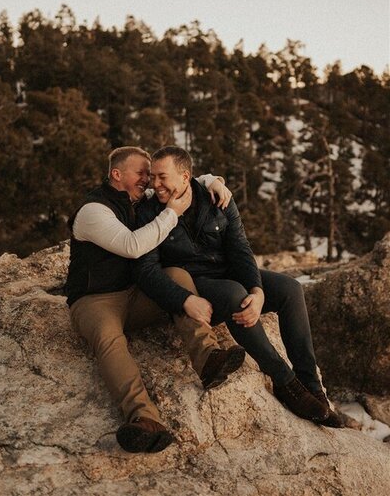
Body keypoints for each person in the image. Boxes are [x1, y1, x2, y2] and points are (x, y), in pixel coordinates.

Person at [135, 146, 344, 429]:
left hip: (228, 271)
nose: (155, 184)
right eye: (152, 177)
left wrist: (257, 291)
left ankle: (312, 384)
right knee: (236, 296)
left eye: (162, 177)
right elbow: (147, 270)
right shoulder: (148, 211)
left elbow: (240, 249)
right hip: (197, 283)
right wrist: (185, 298)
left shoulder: (216, 197)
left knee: (290, 288)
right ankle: (285, 381)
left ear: (185, 177)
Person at [65, 146, 245, 454]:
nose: (148, 181)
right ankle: (144, 419)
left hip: (134, 296)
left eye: (150, 174)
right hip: (95, 300)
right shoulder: (93, 211)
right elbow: (133, 246)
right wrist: (172, 214)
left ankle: (208, 358)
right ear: (117, 175)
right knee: (109, 340)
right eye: (141, 173)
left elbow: (183, 179)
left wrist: (212, 180)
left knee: (176, 274)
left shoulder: (138, 199)